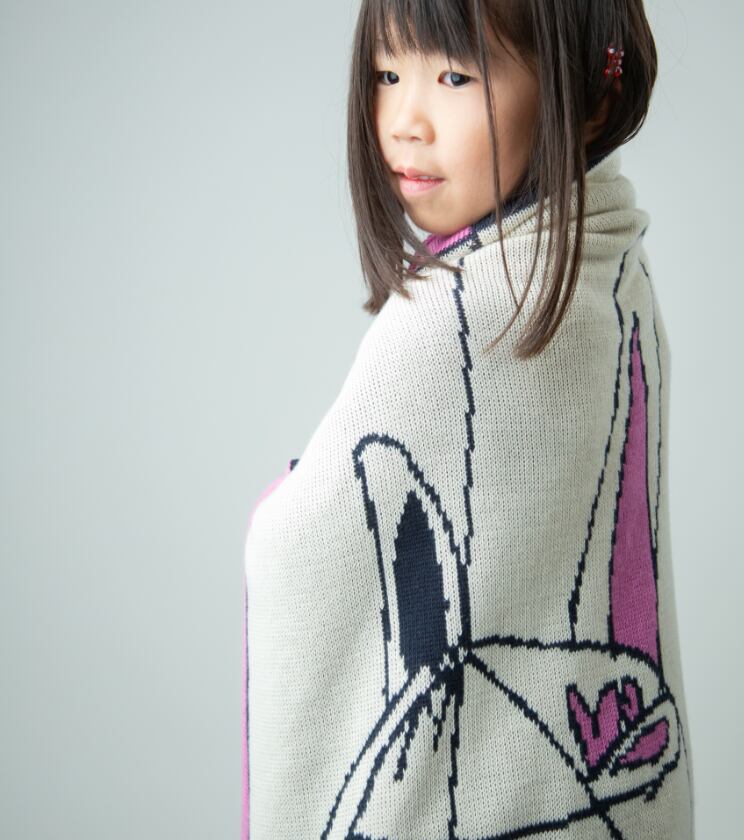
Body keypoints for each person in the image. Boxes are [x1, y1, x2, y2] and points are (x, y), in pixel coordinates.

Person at [242, 1, 695, 837]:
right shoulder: (614, 272)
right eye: (387, 73)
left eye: (453, 76)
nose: (405, 122)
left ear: (589, 98)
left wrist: (292, 497)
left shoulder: (454, 316)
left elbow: (299, 549)